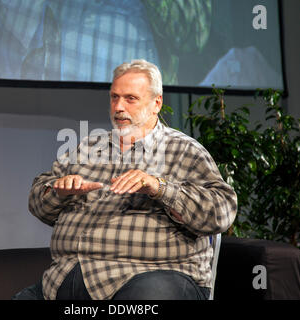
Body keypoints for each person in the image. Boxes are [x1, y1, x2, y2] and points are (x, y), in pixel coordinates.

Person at [15, 59, 237, 300]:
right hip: (68, 276)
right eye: (114, 97)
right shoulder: (85, 149)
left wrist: (159, 188)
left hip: (154, 275)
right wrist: (59, 192)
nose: (119, 107)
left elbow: (221, 211)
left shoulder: (184, 150)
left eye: (130, 98)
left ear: (156, 103)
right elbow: (38, 204)